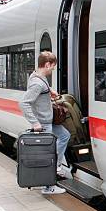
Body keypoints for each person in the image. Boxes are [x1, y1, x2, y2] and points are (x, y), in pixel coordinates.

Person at [19, 51, 69, 195]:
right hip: (43, 123)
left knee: (64, 136)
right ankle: (48, 187)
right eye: (52, 67)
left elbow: (43, 87)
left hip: (49, 120)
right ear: (47, 64)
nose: (53, 69)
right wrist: (35, 123)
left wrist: (50, 91)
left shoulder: (38, 75)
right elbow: (24, 103)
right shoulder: (37, 83)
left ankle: (56, 165)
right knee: (47, 154)